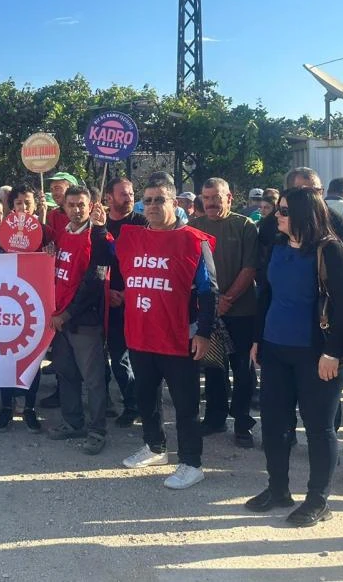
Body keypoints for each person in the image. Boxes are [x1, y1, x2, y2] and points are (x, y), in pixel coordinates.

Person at [247, 187, 343, 526]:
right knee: (275, 424)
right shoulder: (278, 246)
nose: (276, 215)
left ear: (303, 215)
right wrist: (257, 340)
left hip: (317, 355)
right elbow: (266, 296)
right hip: (276, 349)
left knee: (319, 428)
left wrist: (332, 353)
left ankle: (318, 499)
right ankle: (278, 488)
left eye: (282, 210)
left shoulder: (331, 251)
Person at [116, 177, 216, 490]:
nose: (153, 206)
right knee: (146, 396)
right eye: (148, 201)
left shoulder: (193, 240)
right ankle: (155, 446)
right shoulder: (131, 238)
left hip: (179, 337)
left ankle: (191, 462)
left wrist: (203, 332)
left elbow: (208, 290)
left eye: (160, 200)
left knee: (185, 404)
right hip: (141, 335)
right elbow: (101, 253)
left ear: (174, 203)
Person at [191, 178, 260, 448]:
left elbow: (250, 267)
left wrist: (227, 299)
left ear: (228, 197)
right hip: (208, 314)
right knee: (214, 367)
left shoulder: (244, 226)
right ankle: (215, 418)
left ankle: (243, 423)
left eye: (216, 198)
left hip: (241, 312)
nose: (210, 203)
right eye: (206, 198)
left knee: (243, 369)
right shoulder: (194, 227)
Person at [48, 185, 113, 454]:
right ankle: (73, 422)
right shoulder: (64, 235)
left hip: (82, 320)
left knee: (94, 379)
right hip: (60, 320)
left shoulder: (98, 236)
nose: (76, 210)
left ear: (91, 206)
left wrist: (68, 313)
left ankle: (97, 430)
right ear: (64, 207)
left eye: (81, 205)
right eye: (71, 205)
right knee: (66, 373)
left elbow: (94, 281)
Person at [0, 184, 46, 433]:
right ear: (11, 207)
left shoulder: (45, 233)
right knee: (5, 358)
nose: (23, 208)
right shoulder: (1, 233)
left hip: (36, 304)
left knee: (32, 359)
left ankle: (30, 409)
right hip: (6, 301)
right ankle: (6, 407)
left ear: (35, 206)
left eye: (27, 203)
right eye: (18, 204)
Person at [99, 176, 147, 426]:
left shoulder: (142, 223)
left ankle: (138, 404)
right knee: (114, 356)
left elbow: (149, 261)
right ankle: (122, 403)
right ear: (109, 197)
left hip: (136, 301)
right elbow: (91, 261)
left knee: (136, 357)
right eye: (123, 194)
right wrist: (105, 291)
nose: (129, 198)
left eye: (131, 193)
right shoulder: (99, 224)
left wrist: (129, 292)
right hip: (106, 301)